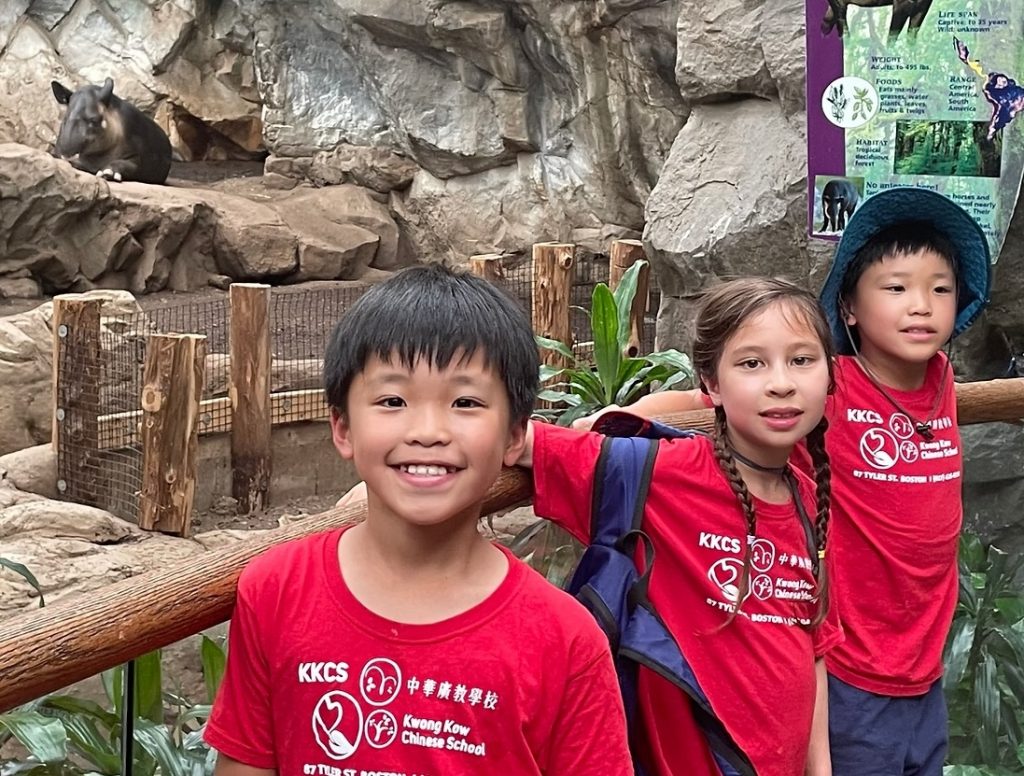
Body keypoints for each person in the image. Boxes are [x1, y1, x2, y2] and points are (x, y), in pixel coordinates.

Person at [578, 188, 991, 775]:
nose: (921, 305)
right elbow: (715, 401)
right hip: (852, 668)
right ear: (848, 309)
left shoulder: (941, 377)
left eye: (940, 288)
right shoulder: (826, 386)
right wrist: (625, 416)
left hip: (923, 669)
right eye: (896, 288)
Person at [204, 264, 633, 776]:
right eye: (393, 400)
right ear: (342, 427)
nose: (428, 431)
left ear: (516, 436)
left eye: (465, 402)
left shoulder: (564, 640)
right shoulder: (275, 590)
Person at [521, 277, 843, 776]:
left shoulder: (810, 501)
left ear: (829, 374)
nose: (782, 382)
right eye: (751, 363)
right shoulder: (663, 473)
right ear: (711, 384)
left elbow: (812, 649)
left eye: (802, 360)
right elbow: (518, 443)